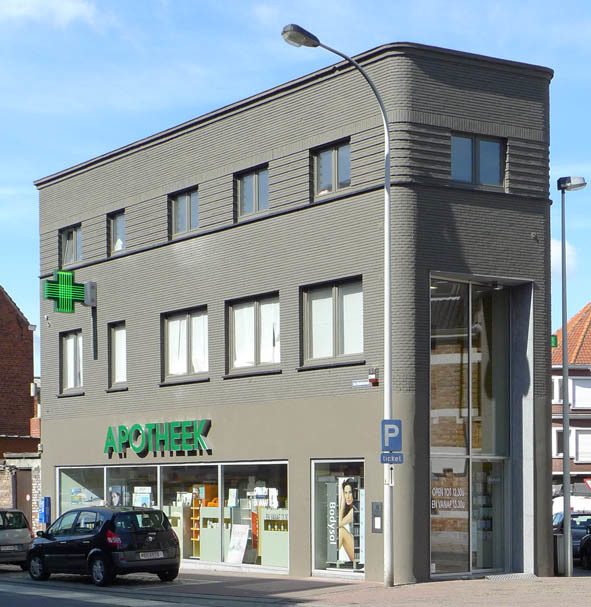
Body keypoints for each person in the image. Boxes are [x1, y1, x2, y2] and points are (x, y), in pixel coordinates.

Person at [338, 478, 357, 561]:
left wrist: (342, 503)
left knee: (341, 531)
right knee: (340, 530)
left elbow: (338, 524)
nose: (347, 496)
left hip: (361, 551)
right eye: (345, 493)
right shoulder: (349, 508)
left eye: (350, 492)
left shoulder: (354, 509)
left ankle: (330, 556)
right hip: (355, 548)